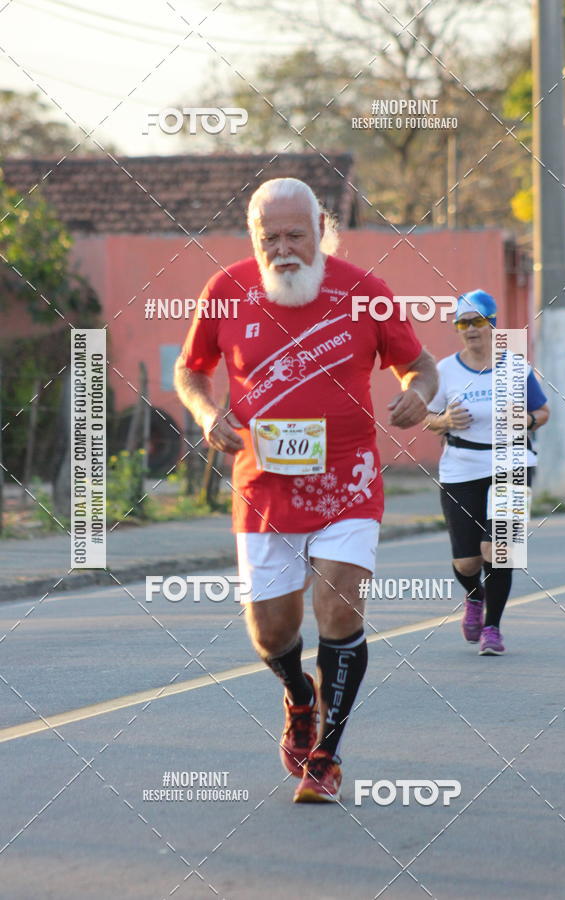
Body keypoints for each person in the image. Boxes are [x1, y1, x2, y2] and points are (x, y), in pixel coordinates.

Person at [175, 177, 438, 802]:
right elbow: (191, 370)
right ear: (253, 239)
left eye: (296, 234)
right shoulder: (225, 292)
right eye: (270, 238)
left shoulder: (365, 294)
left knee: (339, 609)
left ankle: (327, 755)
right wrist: (208, 414)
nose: (283, 249)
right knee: (269, 632)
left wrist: (418, 395)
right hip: (262, 488)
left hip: (348, 483)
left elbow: (420, 366)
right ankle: (299, 694)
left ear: (320, 229)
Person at [424, 290, 549, 655]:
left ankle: (492, 628)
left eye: (478, 321)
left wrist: (525, 420)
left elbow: (543, 412)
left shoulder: (515, 367)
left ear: (493, 325)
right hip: (461, 467)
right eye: (463, 323)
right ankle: (475, 597)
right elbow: (426, 417)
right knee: (467, 560)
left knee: (499, 550)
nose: (471, 329)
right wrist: (444, 420)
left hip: (511, 462)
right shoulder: (445, 370)